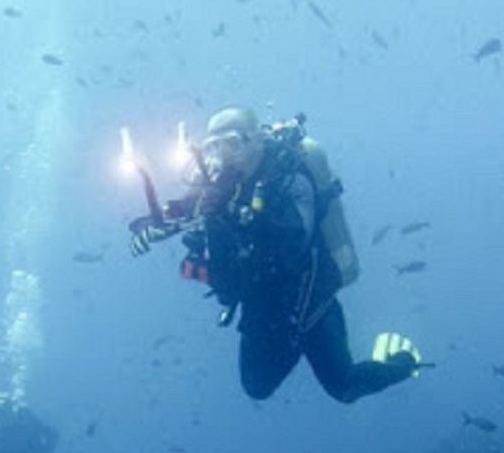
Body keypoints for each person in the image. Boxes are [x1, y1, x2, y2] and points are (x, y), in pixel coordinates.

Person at [129, 106, 422, 402]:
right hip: (263, 308)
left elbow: (293, 244)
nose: (224, 155)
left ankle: (403, 363)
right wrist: (154, 225)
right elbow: (184, 210)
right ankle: (292, 349)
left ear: (257, 141)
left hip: (310, 302)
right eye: (214, 146)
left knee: (344, 387)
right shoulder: (214, 182)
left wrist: (234, 214)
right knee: (256, 388)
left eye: (233, 142)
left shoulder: (289, 176)